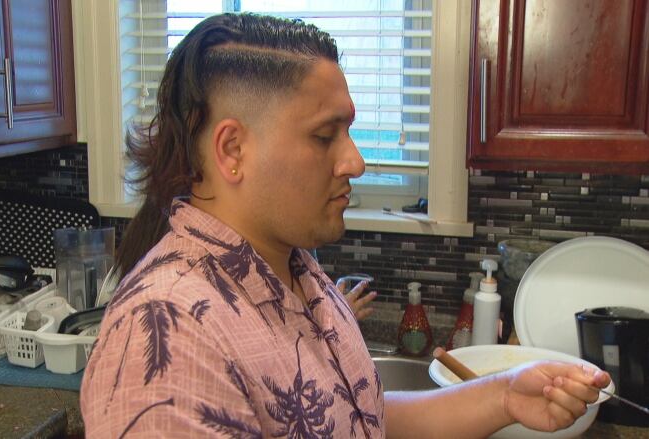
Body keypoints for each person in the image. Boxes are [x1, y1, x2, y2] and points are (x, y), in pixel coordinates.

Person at [80, 13, 610, 438]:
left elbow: (364, 418)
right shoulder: (169, 336)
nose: (355, 161)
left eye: (348, 132)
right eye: (324, 136)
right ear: (233, 150)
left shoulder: (297, 272)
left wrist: (503, 396)